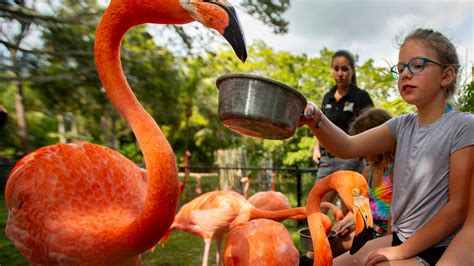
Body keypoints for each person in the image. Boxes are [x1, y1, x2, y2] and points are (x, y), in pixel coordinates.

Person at [300, 28, 474, 265]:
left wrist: (401, 252)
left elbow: (457, 209)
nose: (405, 74)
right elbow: (347, 146)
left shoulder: (463, 127)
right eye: (401, 68)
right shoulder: (401, 126)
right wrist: (315, 118)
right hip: (400, 239)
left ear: (447, 75)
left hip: (437, 247)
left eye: (418, 65)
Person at [313, 50, 374, 214]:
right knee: (316, 207)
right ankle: (317, 239)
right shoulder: (327, 97)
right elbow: (320, 124)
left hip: (351, 160)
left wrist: (358, 155)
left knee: (353, 211)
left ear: (352, 70)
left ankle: (354, 239)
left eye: (345, 69)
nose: (340, 73)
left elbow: (371, 129)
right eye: (336, 68)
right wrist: (316, 148)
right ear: (332, 69)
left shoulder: (361, 97)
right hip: (326, 160)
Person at [329, 107, 394, 257]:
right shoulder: (367, 172)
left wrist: (385, 252)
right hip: (370, 231)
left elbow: (394, 223)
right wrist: (345, 224)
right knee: (330, 244)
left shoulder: (395, 171)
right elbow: (360, 209)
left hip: (387, 237)